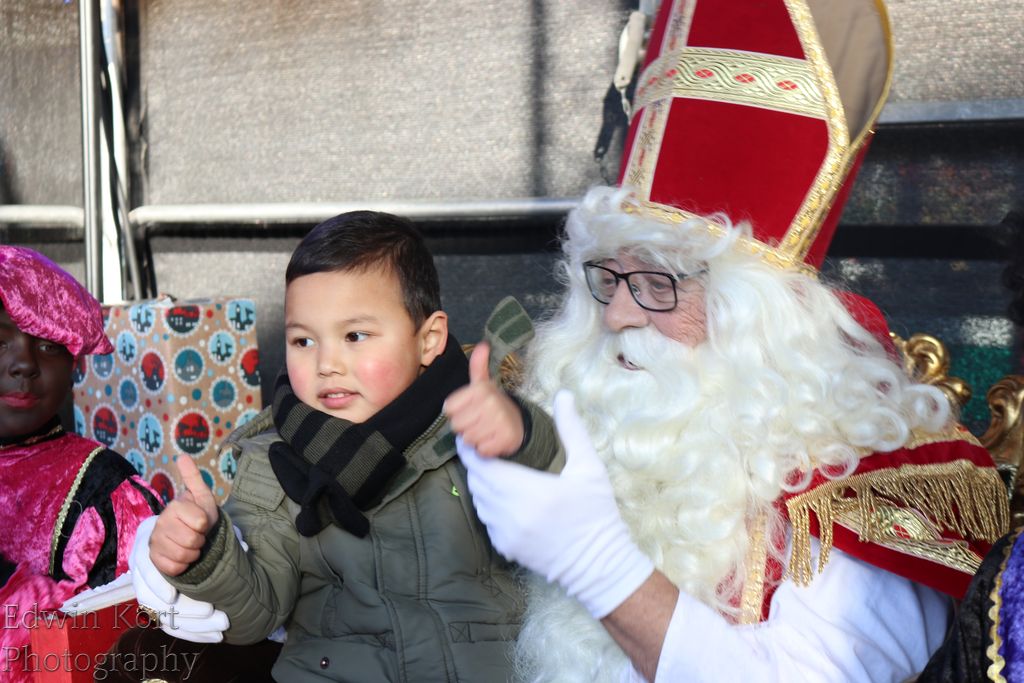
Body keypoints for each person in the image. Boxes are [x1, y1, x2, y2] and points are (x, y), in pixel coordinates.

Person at [452, 1, 1011, 681]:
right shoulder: (612, 435)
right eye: (609, 277)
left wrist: (597, 564)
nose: (618, 314)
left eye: (658, 282)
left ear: (758, 315)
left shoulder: (859, 489)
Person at [115, 211, 560, 682]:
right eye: (303, 340)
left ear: (428, 340)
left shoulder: (474, 422)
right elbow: (255, 612)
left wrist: (522, 435)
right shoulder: (274, 462)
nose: (327, 363)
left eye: (354, 336)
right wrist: (207, 554)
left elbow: (567, 501)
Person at [0, 245, 162, 682]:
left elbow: (126, 646)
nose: (24, 364)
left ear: (74, 366)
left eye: (48, 345)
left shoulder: (106, 493)